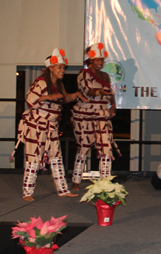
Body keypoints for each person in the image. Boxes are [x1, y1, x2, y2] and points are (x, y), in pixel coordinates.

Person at [12, 48, 86, 201]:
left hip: (51, 126)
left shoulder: (59, 85)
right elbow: (30, 100)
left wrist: (77, 95)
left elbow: (64, 98)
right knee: (33, 158)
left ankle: (63, 190)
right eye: (60, 67)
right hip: (36, 126)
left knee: (56, 158)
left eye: (63, 67)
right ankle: (27, 192)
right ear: (50, 68)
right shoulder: (40, 83)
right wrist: (49, 96)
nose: (63, 70)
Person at [71, 43, 118, 190]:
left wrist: (113, 106)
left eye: (102, 61)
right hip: (86, 116)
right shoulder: (83, 74)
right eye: (97, 60)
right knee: (84, 148)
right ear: (90, 61)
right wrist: (100, 93)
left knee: (106, 148)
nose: (100, 63)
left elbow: (110, 92)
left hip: (102, 115)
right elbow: (87, 91)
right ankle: (76, 180)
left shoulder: (105, 76)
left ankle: (105, 182)